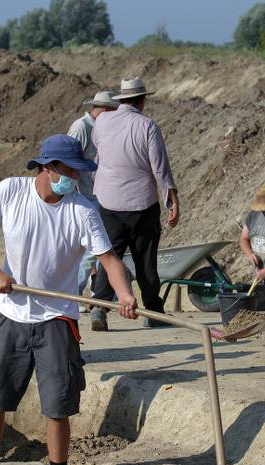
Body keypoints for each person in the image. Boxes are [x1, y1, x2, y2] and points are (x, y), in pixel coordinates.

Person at [0, 134, 138, 465]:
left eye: (78, 172)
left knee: (57, 406)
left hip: (57, 318)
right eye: (70, 171)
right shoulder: (11, 191)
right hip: (11, 314)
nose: (76, 178)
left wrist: (124, 294)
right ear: (49, 167)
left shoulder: (83, 210)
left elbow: (110, 259)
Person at [89, 77, 180, 331]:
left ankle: (99, 309)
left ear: (121, 99)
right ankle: (154, 312)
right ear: (142, 100)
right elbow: (159, 167)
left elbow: (100, 150)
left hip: (108, 202)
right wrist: (171, 198)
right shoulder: (147, 125)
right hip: (142, 204)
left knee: (109, 256)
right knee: (145, 260)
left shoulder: (102, 121)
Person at [67, 90, 119, 296]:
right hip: (83, 197)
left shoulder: (99, 128)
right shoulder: (81, 128)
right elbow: (68, 162)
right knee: (91, 250)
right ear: (105, 110)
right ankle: (73, 293)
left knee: (94, 248)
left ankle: (96, 291)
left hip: (96, 196)